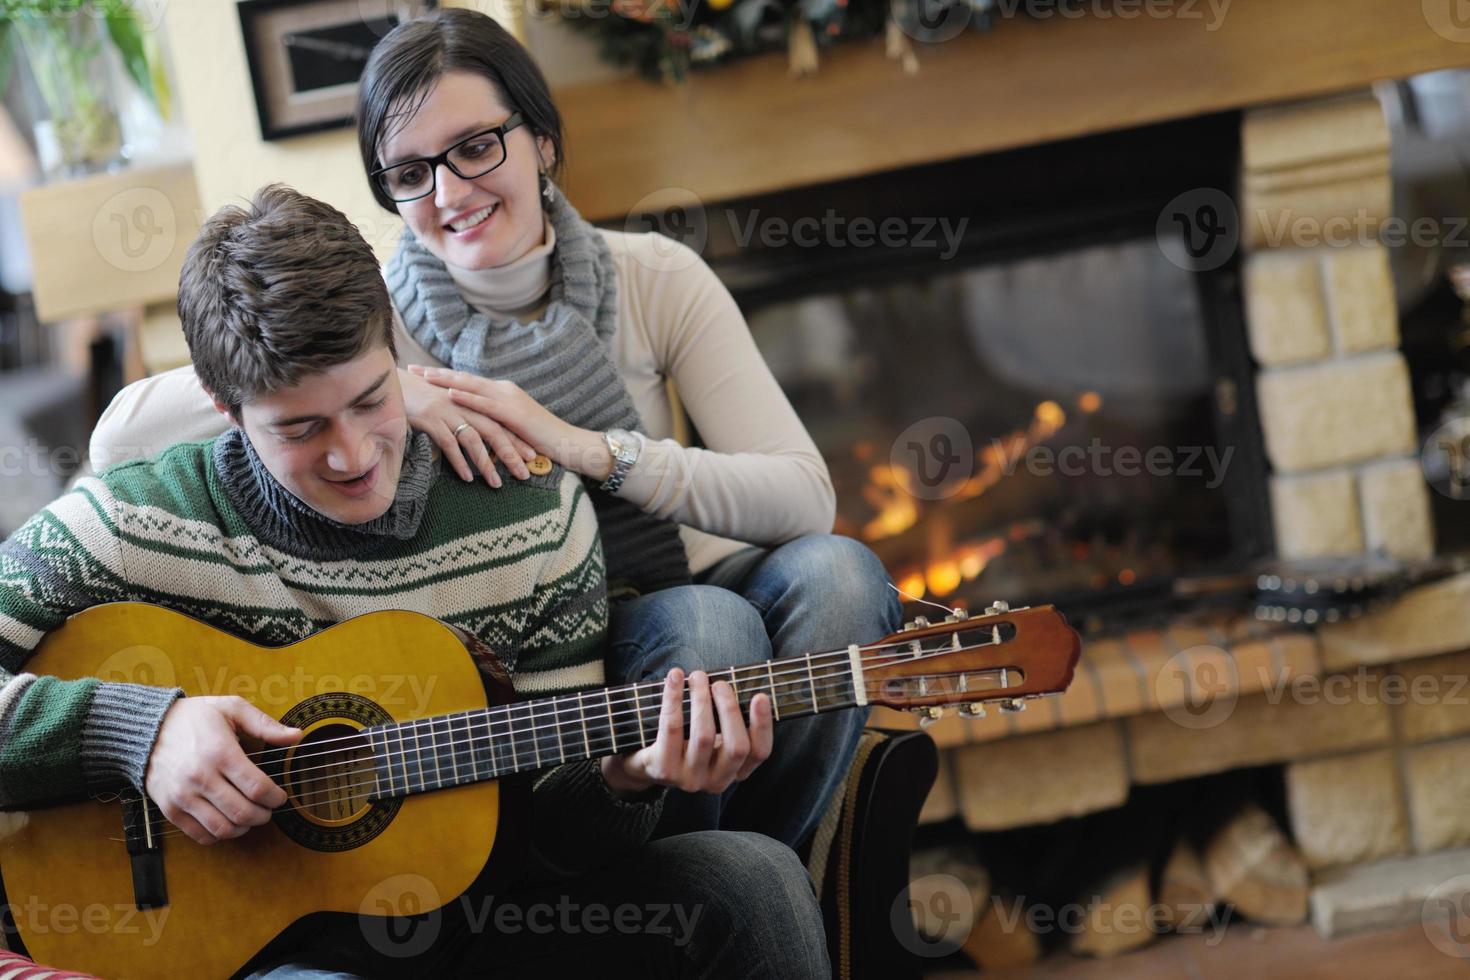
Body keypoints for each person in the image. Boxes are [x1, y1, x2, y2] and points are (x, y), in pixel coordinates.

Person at [90, 7, 901, 853]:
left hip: (684, 570)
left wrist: (582, 447)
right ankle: (695, 890)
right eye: (410, 172)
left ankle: (773, 867)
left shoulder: (654, 278)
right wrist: (401, 383)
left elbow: (806, 498)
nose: (450, 193)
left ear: (543, 139)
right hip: (548, 634)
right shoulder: (372, 325)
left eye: (477, 147)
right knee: (709, 631)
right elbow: (121, 439)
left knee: (841, 573)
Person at [0, 185, 828, 977]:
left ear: (395, 351)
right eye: (301, 427)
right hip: (276, 954)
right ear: (222, 405)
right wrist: (140, 733)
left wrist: (626, 778)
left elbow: (549, 836)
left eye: (369, 401)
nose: (354, 455)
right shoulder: (126, 526)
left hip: (493, 925)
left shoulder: (533, 514)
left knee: (749, 878)